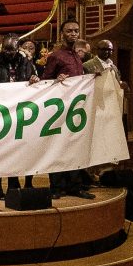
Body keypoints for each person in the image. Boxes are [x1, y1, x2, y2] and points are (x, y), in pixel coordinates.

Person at [42, 19, 95, 200]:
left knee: (75, 146)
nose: (73, 33)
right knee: (57, 146)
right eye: (69, 31)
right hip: (59, 110)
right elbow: (45, 81)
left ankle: (75, 186)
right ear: (62, 34)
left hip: (76, 109)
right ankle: (56, 186)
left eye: (76, 30)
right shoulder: (56, 56)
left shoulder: (78, 58)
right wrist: (57, 80)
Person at [0, 34, 39, 199]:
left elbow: (33, 79)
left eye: (12, 49)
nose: (8, 52)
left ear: (18, 49)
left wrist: (34, 79)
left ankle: (15, 183)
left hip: (21, 112)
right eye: (5, 49)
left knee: (18, 149)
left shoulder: (26, 63)